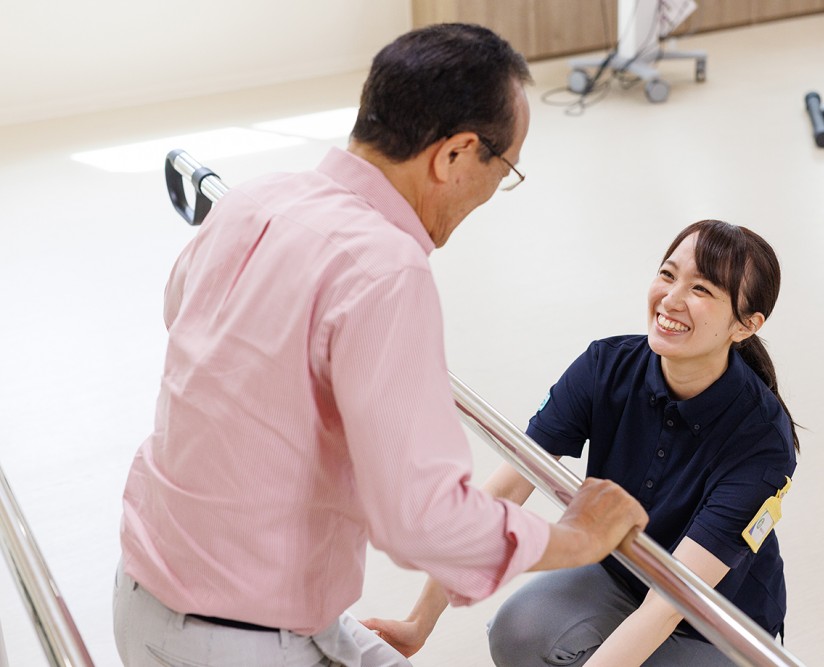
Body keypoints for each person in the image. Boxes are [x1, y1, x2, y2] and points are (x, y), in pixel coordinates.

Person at [113, 23, 647, 667]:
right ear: (455, 155)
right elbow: (421, 518)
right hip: (240, 639)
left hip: (146, 593)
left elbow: (183, 320)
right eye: (503, 168)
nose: (492, 191)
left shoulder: (253, 200)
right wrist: (574, 538)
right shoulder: (386, 271)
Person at [365, 219, 799, 666]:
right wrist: (419, 622)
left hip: (713, 625)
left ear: (746, 326)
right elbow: (505, 492)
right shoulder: (605, 366)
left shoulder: (763, 443)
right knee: (520, 631)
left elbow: (671, 601)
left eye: (702, 290)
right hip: (621, 575)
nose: (670, 299)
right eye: (668, 275)